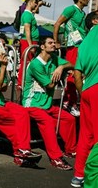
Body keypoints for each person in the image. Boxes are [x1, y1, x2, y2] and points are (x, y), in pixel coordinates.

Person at [0, 33, 41, 167]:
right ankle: (22, 151)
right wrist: (1, 72)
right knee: (13, 122)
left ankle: (22, 151)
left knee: (22, 112)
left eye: (4, 45)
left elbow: (3, 86)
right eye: (2, 45)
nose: (4, 48)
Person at [22, 36, 76, 171]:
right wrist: (61, 73)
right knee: (47, 122)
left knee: (69, 119)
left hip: (47, 104)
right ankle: (56, 158)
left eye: (53, 42)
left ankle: (71, 150)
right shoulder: (36, 64)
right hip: (32, 103)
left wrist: (61, 67)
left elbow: (72, 64)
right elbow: (51, 85)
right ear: (42, 47)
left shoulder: (54, 59)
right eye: (50, 43)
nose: (53, 45)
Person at [72, 12, 98, 188]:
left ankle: (78, 175)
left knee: (85, 135)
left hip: (88, 90)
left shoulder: (83, 44)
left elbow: (77, 73)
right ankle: (97, 181)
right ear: (95, 21)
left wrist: (83, 93)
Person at [53, 0, 89, 117]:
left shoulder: (82, 13)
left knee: (81, 74)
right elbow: (57, 24)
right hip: (73, 46)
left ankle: (74, 101)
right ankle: (69, 102)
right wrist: (56, 41)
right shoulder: (70, 9)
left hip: (81, 45)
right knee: (73, 73)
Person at [16, 0, 41, 104]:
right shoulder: (26, 15)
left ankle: (23, 83)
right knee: (26, 62)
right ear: (30, 1)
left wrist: (38, 5)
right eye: (34, 2)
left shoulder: (29, 14)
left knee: (27, 62)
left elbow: (33, 13)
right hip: (28, 42)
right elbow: (27, 29)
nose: (35, 4)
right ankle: (22, 84)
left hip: (29, 41)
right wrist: (31, 45)